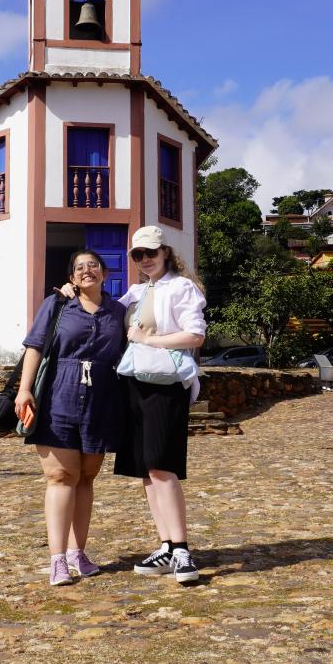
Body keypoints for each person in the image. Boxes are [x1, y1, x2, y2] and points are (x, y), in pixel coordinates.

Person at [16, 249, 129, 587]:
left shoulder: (118, 312)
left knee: (87, 477)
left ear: (105, 273)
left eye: (92, 265)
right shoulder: (57, 304)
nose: (86, 271)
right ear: (72, 276)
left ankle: (78, 552)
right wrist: (25, 390)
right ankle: (57, 559)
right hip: (58, 395)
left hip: (102, 399)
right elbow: (35, 346)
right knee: (61, 476)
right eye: (79, 267)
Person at [115, 225, 208, 584]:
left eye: (151, 252)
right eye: (138, 255)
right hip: (135, 383)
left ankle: (182, 548)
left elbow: (195, 334)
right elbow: (106, 312)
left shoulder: (181, 287)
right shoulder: (137, 291)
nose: (145, 260)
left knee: (162, 466)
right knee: (147, 470)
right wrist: (69, 292)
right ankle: (167, 545)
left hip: (166, 385)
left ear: (166, 252)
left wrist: (147, 340)